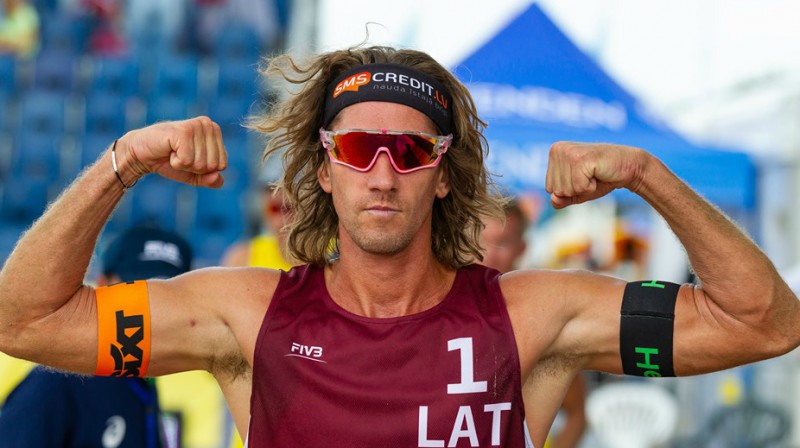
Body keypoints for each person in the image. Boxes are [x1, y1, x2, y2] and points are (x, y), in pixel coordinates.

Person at [0, 45, 798, 447]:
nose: (383, 174)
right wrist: (122, 163)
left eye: (411, 152)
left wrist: (649, 175)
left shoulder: (528, 317)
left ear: (444, 176)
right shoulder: (245, 316)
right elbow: (27, 320)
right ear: (325, 168)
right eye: (357, 150)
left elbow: (762, 322)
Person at [0, 226, 192, 447]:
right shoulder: (60, 379)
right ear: (102, 285)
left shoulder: (146, 377)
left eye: (169, 297)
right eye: (138, 291)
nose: (152, 309)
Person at [480, 200, 587, 448]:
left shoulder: (540, 313)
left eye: (502, 242)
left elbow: (577, 415)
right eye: (481, 240)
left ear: (522, 248)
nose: (489, 253)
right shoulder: (451, 307)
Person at [221, 159, 294, 270]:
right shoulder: (243, 256)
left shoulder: (328, 253)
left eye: (289, 188)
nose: (278, 196)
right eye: (270, 189)